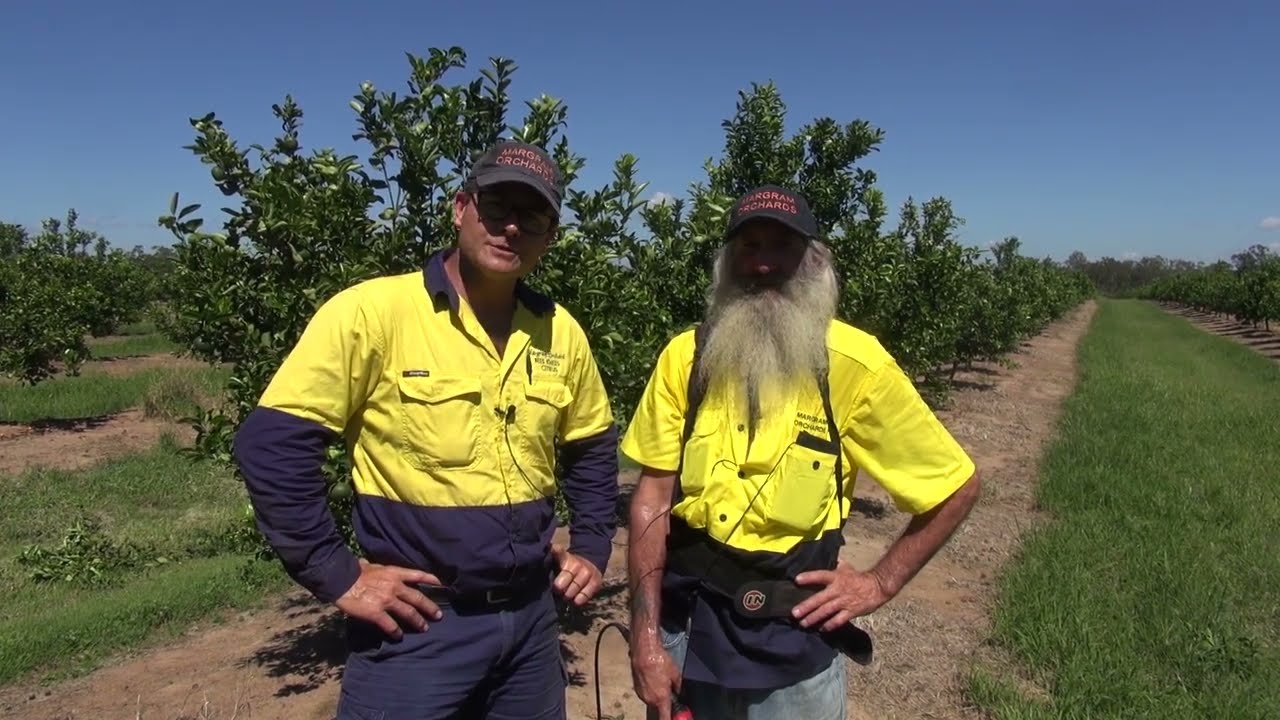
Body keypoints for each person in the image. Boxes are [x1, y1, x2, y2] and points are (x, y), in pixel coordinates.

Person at [232, 139, 621, 720]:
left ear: (551, 235)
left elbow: (591, 446)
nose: (510, 227)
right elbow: (272, 445)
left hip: (533, 627)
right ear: (461, 207)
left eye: (531, 215)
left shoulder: (560, 331)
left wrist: (590, 545)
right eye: (496, 208)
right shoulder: (373, 313)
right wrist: (337, 574)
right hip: (420, 629)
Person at [622, 185, 982, 719]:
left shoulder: (854, 366)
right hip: (686, 635)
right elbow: (651, 501)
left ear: (813, 262)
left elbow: (955, 486)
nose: (763, 264)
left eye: (781, 248)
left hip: (793, 652)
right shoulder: (687, 359)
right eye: (748, 246)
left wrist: (879, 582)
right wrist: (645, 637)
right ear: (725, 263)